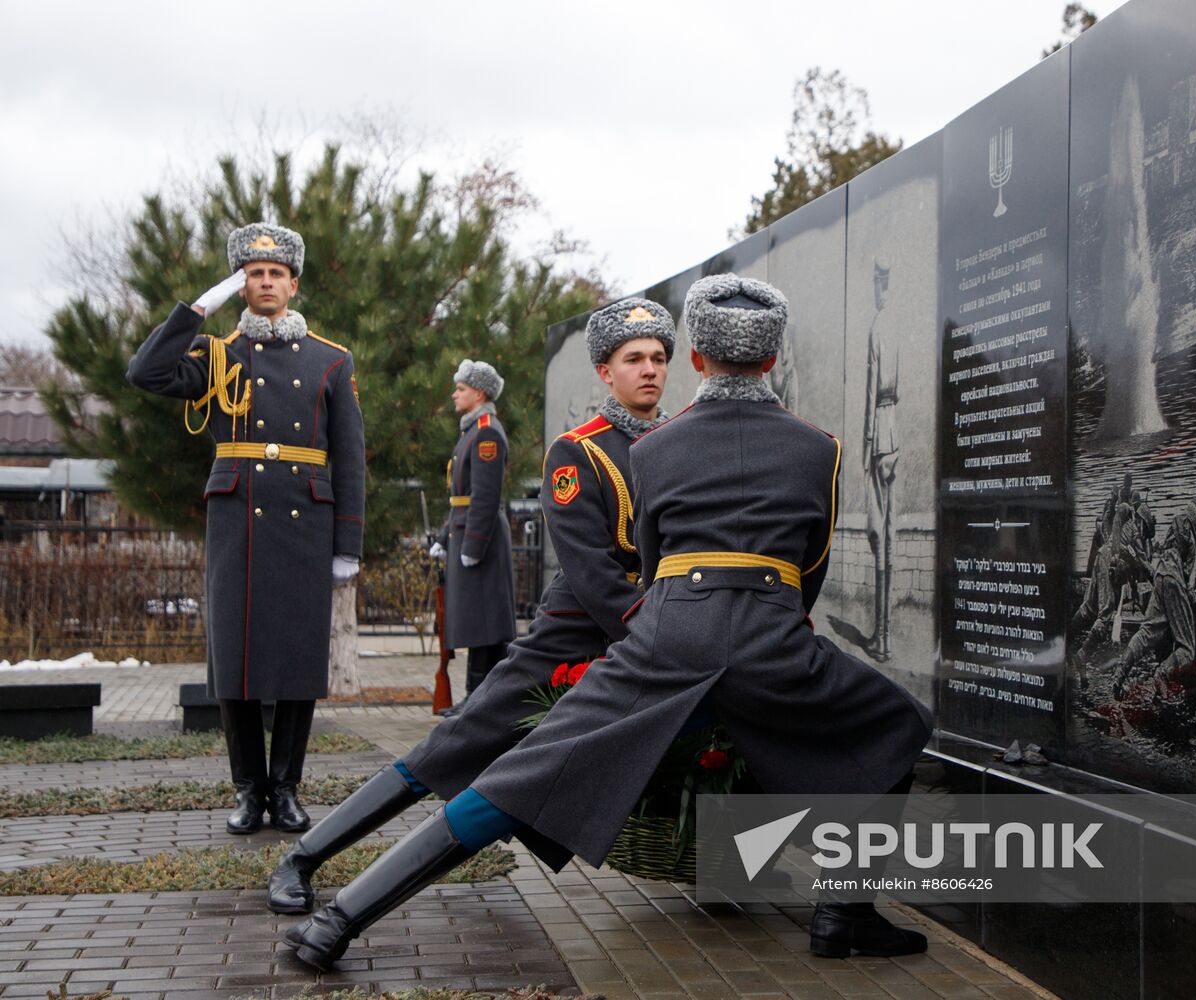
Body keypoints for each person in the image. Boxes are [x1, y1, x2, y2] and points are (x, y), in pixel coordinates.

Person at [284, 274, 934, 971]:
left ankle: (338, 923)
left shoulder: (654, 451)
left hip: (665, 634)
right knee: (899, 724)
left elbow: (653, 565)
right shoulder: (822, 449)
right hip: (772, 637)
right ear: (772, 359)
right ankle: (844, 911)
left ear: (694, 361)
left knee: (517, 777)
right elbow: (810, 571)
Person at [267, 297, 675, 915]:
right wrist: (655, 630)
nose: (650, 369)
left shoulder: (681, 444)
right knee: (451, 748)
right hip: (576, 636)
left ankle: (772, 880)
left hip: (648, 639)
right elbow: (592, 573)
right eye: (634, 358)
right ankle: (302, 858)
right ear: (605, 372)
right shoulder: (578, 451)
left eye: (660, 358)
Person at [127, 223, 364, 834]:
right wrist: (194, 309)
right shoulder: (216, 353)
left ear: (292, 283)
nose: (265, 283)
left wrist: (348, 544)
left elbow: (350, 456)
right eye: (253, 274)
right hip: (239, 522)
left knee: (294, 662)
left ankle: (285, 789)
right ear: (242, 285)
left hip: (303, 522)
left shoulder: (330, 360)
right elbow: (145, 373)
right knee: (234, 664)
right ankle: (247, 792)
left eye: (275, 274)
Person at [430, 360, 515, 701]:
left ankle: (477, 699)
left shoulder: (487, 433)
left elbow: (484, 496)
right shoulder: (472, 430)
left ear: (478, 393)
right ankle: (476, 699)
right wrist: (443, 538)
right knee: (479, 625)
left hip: (482, 540)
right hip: (466, 533)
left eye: (461, 389)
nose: (454, 394)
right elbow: (461, 497)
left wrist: (472, 546)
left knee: (485, 626)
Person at [1113, 501, 1196, 700]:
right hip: (1173, 580)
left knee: (1147, 630)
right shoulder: (1191, 536)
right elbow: (1188, 580)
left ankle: (1119, 675)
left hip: (1160, 573)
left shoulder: (1174, 527)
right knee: (1187, 649)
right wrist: (1195, 598)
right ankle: (1160, 675)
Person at [862, 255, 899, 660]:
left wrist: (868, 440)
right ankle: (884, 634)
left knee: (879, 536)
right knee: (889, 536)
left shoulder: (878, 325)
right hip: (898, 431)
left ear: (880, 283)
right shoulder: (899, 323)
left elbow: (873, 386)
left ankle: (882, 638)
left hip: (881, 436)